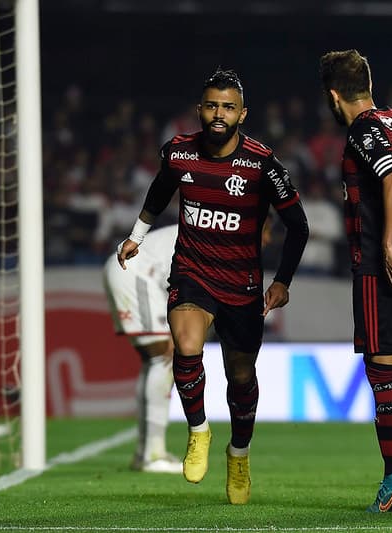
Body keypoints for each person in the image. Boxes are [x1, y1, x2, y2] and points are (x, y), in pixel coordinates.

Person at [117, 68, 309, 505]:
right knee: (185, 347)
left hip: (242, 287)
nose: (218, 114)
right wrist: (137, 236)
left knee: (241, 378)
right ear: (199, 109)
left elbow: (298, 226)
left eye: (227, 107)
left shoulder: (262, 163)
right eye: (211, 105)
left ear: (242, 113)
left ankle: (238, 454)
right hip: (192, 274)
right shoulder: (180, 153)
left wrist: (282, 281)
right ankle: (199, 431)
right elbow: (158, 193)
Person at [319, 49, 392, 513]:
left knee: (380, 369)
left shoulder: (363, 128)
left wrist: (385, 242)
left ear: (332, 95)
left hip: (382, 261)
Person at [104, 224, 182, 474]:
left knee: (156, 361)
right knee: (164, 358)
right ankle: (152, 455)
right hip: (136, 270)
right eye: (266, 233)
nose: (266, 240)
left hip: (134, 270)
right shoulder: (223, 234)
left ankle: (145, 453)